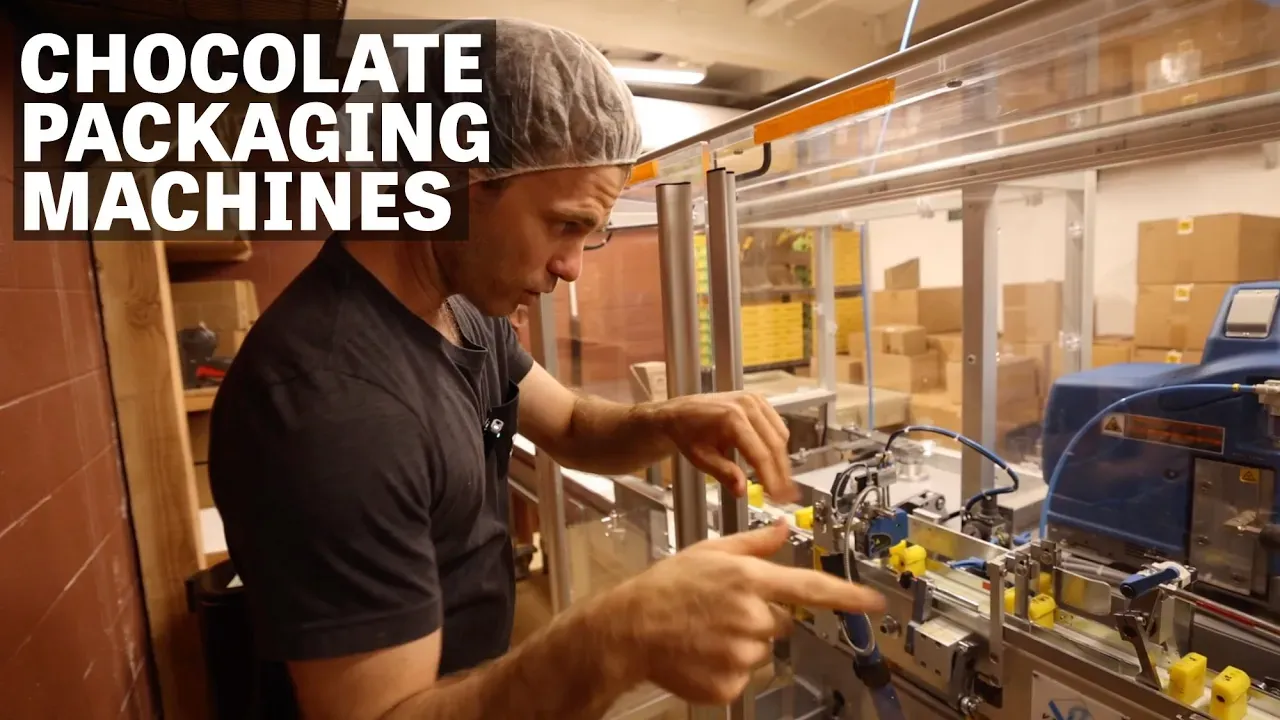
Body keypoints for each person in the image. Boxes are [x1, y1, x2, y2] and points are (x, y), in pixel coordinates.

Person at [207, 18, 884, 720]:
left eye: (592, 234)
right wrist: (613, 639)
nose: (571, 268)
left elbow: (569, 425)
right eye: (565, 225)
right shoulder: (334, 405)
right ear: (460, 180)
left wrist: (669, 420)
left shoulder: (460, 312)